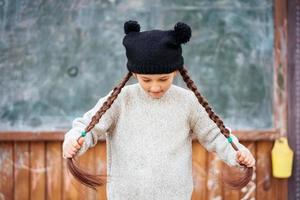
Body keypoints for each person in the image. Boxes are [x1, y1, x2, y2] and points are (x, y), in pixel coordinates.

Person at [62, 20, 255, 199]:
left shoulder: (187, 101)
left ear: (175, 72)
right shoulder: (120, 99)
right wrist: (74, 139)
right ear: (135, 73)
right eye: (146, 80)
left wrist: (237, 153)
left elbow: (215, 134)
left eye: (163, 79)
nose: (155, 87)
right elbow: (88, 126)